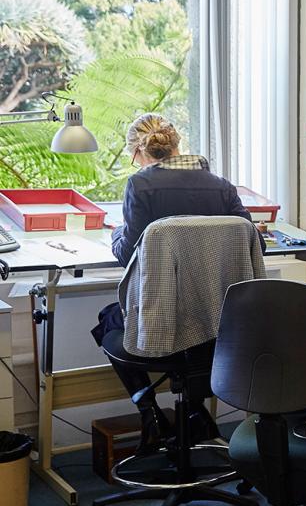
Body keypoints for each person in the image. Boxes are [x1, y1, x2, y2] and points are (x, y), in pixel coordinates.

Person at [91, 113, 256, 450]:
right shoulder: (221, 185)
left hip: (161, 325)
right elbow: (255, 242)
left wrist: (118, 232)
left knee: (108, 321)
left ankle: (150, 413)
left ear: (139, 153)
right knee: (191, 342)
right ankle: (195, 413)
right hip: (216, 324)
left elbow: (126, 255)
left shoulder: (140, 185)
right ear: (178, 145)